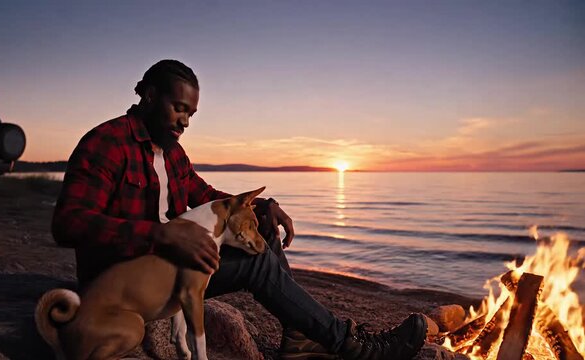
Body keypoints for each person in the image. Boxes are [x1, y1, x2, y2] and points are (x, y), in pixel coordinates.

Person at [51, 59, 427, 360]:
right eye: (178, 108)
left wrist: (260, 206)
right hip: (125, 286)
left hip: (173, 269)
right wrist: (160, 233)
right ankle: (351, 345)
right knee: (256, 263)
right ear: (149, 96)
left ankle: (298, 336)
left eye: (191, 114)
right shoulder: (107, 142)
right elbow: (68, 223)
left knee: (262, 230)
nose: (184, 122)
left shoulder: (173, 152)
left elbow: (209, 196)